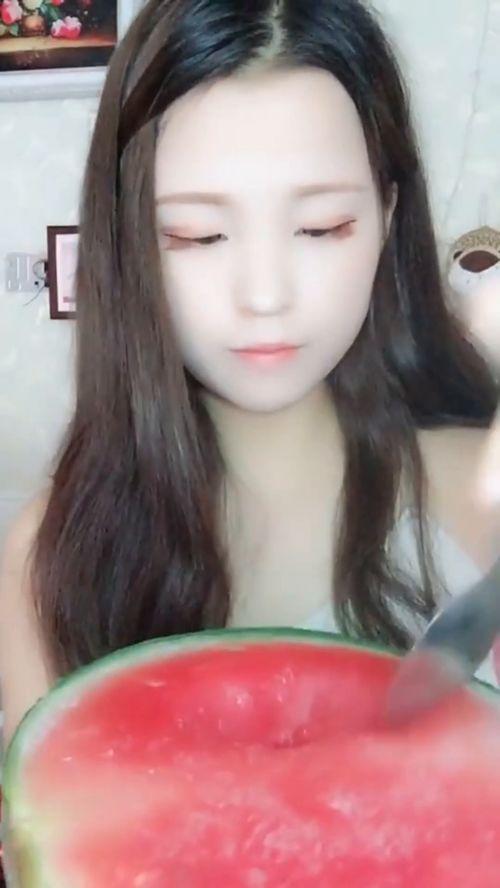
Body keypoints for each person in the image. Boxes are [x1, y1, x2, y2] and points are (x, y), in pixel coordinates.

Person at [0, 0, 499, 750]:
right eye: (197, 235)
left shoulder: (482, 499)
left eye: (322, 227)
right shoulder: (50, 559)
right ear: (125, 241)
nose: (264, 296)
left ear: (388, 218)